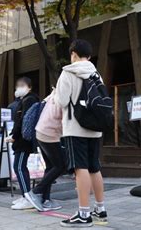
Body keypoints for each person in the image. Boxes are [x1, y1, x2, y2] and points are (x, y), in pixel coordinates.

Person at [55, 39, 107, 227]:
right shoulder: (96, 74)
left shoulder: (68, 72)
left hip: (75, 127)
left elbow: (61, 101)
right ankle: (100, 208)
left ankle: (83, 214)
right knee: (94, 167)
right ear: (90, 56)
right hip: (95, 128)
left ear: (73, 53)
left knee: (80, 168)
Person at [24, 89, 66, 212]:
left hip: (40, 132)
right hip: (49, 134)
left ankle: (45, 200)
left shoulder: (52, 95)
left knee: (50, 167)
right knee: (61, 166)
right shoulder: (64, 95)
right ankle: (36, 192)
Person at [7, 77, 39, 210]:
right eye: (17, 85)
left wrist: (14, 136)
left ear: (29, 87)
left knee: (19, 167)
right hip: (23, 139)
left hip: (23, 140)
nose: (19, 88)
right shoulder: (25, 100)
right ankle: (25, 195)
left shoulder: (29, 100)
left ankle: (28, 197)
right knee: (20, 167)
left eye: (22, 85)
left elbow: (23, 121)